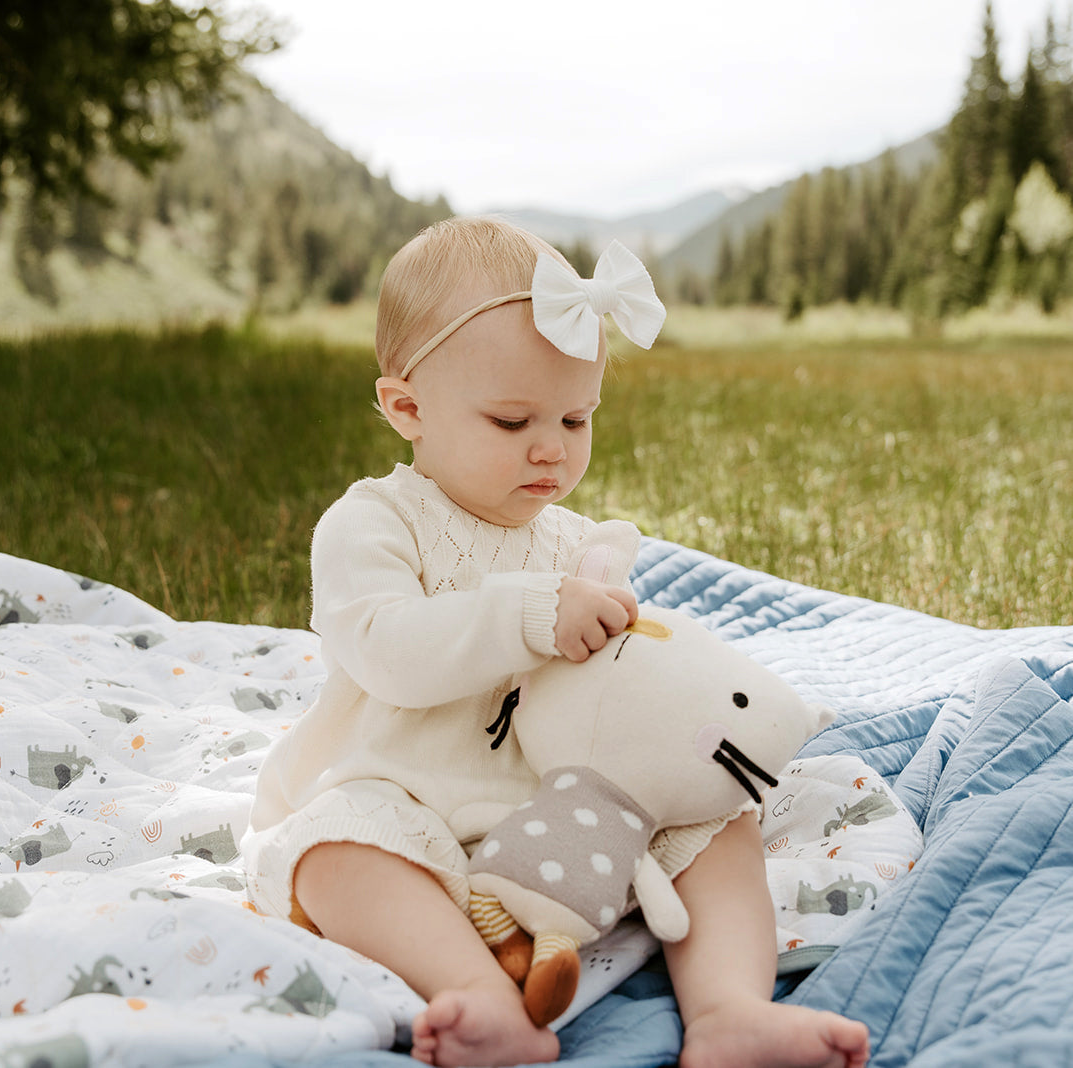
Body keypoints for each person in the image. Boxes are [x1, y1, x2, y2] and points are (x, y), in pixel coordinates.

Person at [242, 217, 870, 1068]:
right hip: (403, 789)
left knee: (713, 816)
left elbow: (620, 683)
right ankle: (476, 995)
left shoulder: (574, 543)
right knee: (332, 853)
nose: (551, 449)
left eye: (576, 418)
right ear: (407, 408)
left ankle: (728, 1010)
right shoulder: (373, 523)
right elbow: (386, 651)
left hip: (558, 802)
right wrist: (529, 615)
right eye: (511, 421)